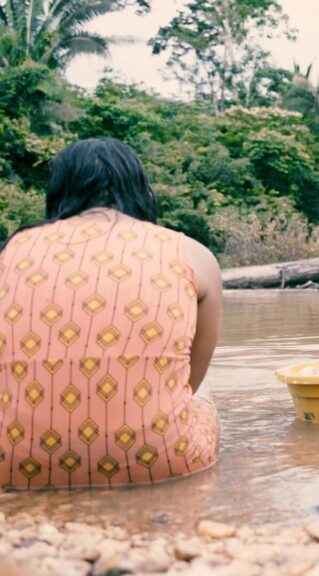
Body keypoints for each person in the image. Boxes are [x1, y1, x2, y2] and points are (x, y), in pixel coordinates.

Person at [0, 138, 222, 488]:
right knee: (205, 398)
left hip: (14, 462)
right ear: (140, 189)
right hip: (164, 459)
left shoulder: (10, 251)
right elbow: (191, 381)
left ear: (59, 190)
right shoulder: (192, 254)